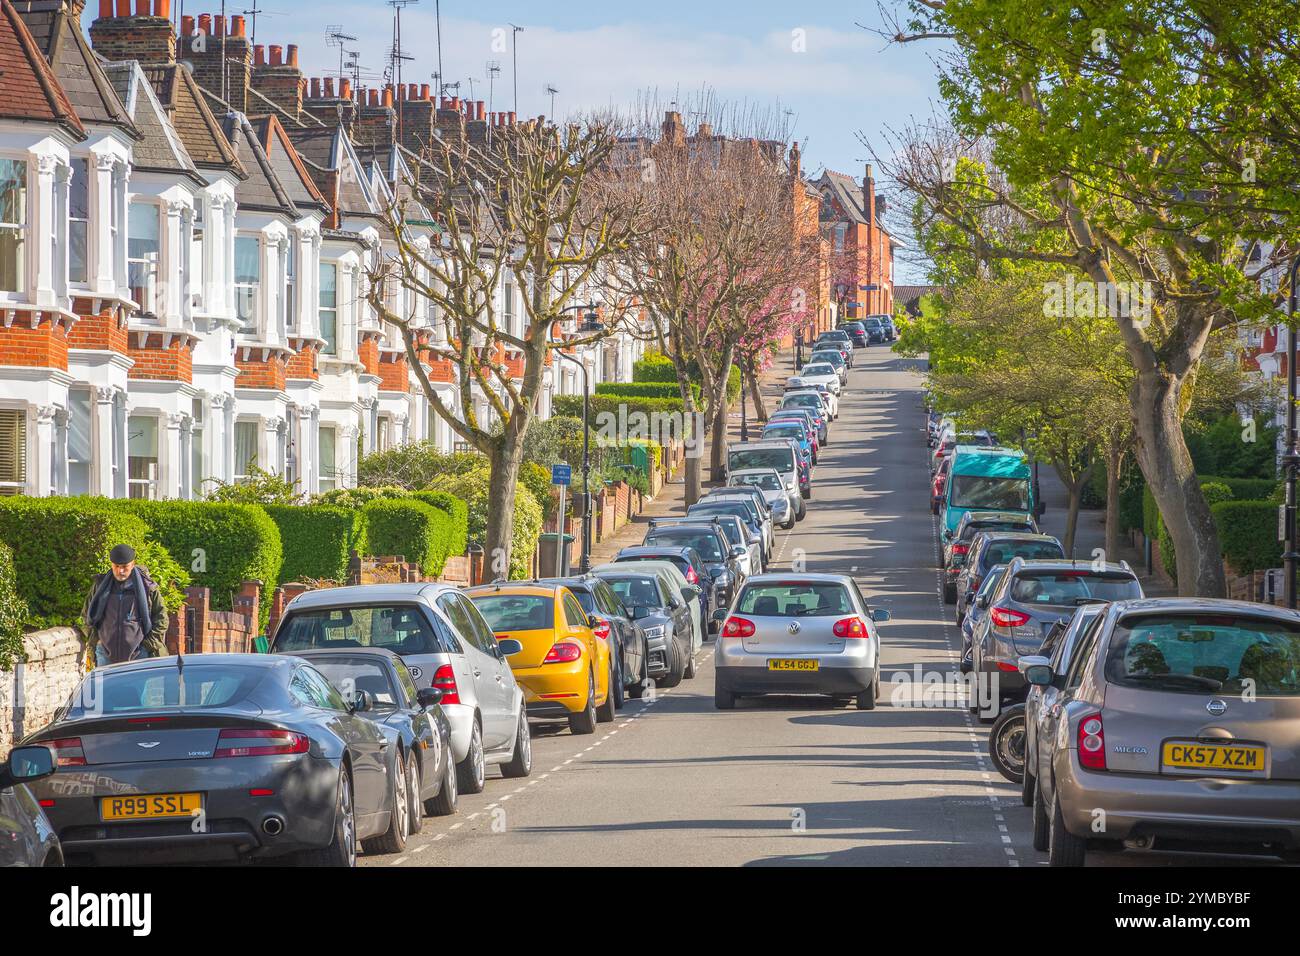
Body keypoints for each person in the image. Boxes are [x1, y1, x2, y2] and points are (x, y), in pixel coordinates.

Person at [81, 544, 168, 666]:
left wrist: (147, 646)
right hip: (105, 655)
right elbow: (86, 615)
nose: (120, 571)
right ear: (111, 564)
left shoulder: (147, 587)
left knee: (135, 686)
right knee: (107, 686)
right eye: (116, 566)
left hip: (139, 655)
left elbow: (161, 618)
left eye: (124, 567)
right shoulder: (100, 586)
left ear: (132, 564)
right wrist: (96, 642)